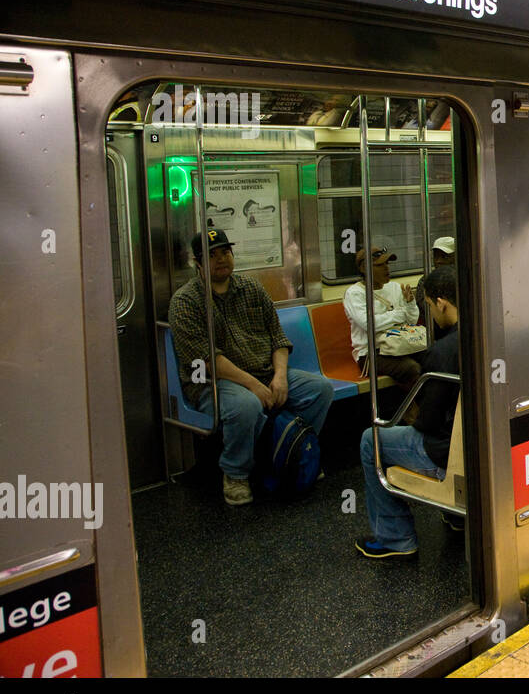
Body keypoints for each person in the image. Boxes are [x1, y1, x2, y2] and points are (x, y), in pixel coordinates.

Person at [169, 229, 334, 506]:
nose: (221, 259)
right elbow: (207, 360)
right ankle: (236, 473)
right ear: (197, 263)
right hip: (213, 382)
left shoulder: (252, 288)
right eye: (211, 255)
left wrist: (280, 376)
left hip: (265, 372)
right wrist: (254, 384)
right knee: (246, 405)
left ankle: (292, 452)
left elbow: (278, 339)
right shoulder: (186, 302)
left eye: (225, 252)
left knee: (320, 389)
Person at [355, 266, 461, 559]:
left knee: (371, 439)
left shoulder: (441, 352)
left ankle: (395, 538)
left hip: (445, 453)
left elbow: (428, 422)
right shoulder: (489, 335)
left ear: (441, 302)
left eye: (428, 305)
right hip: (481, 452)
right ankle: (457, 517)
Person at [343, 246, 422, 396]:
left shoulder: (395, 287)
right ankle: (414, 411)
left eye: (388, 264)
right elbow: (370, 324)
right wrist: (400, 313)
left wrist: (410, 305)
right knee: (410, 368)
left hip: (400, 344)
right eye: (380, 265)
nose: (387, 268)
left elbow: (412, 320)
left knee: (434, 356)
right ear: (364, 268)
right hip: (371, 353)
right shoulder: (355, 293)